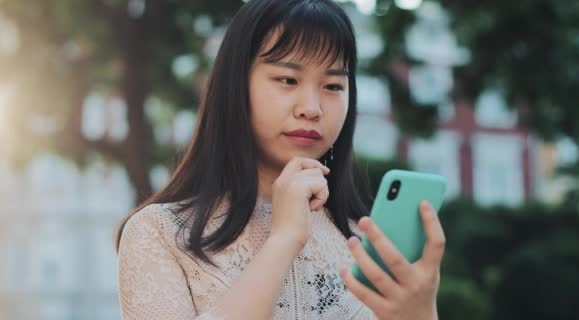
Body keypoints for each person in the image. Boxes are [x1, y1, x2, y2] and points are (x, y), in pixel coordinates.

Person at [115, 0, 445, 319]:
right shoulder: (159, 232)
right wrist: (283, 239)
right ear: (236, 87)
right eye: (288, 80)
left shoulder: (368, 246)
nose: (312, 107)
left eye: (332, 85)